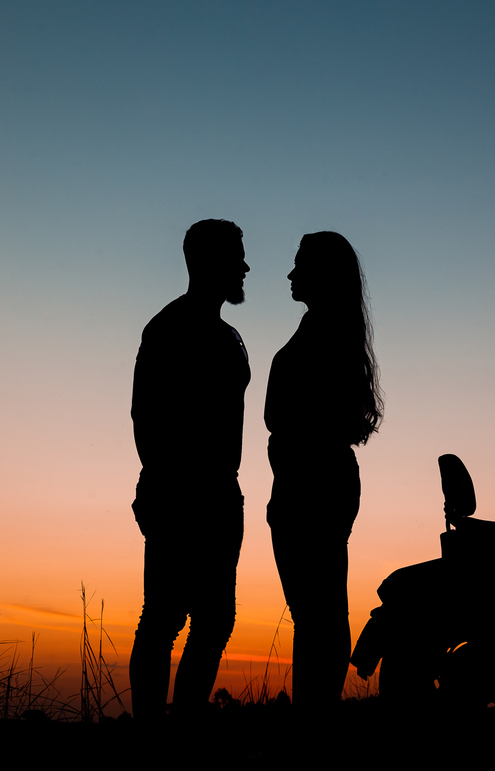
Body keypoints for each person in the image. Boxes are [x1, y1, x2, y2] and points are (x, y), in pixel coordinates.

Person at [129, 219, 250, 721]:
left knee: (214, 620)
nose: (245, 267)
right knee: (163, 619)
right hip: (181, 498)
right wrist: (170, 490)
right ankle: (156, 738)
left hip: (220, 498)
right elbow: (145, 418)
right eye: (236, 257)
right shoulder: (169, 328)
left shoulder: (227, 335)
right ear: (208, 263)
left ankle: (181, 732)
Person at [265, 231, 383, 710]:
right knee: (318, 614)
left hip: (312, 484)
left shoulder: (325, 334)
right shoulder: (323, 328)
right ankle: (312, 724)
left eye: (300, 266)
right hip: (311, 481)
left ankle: (313, 727)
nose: (291, 275)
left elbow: (288, 414)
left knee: (320, 616)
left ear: (322, 275)